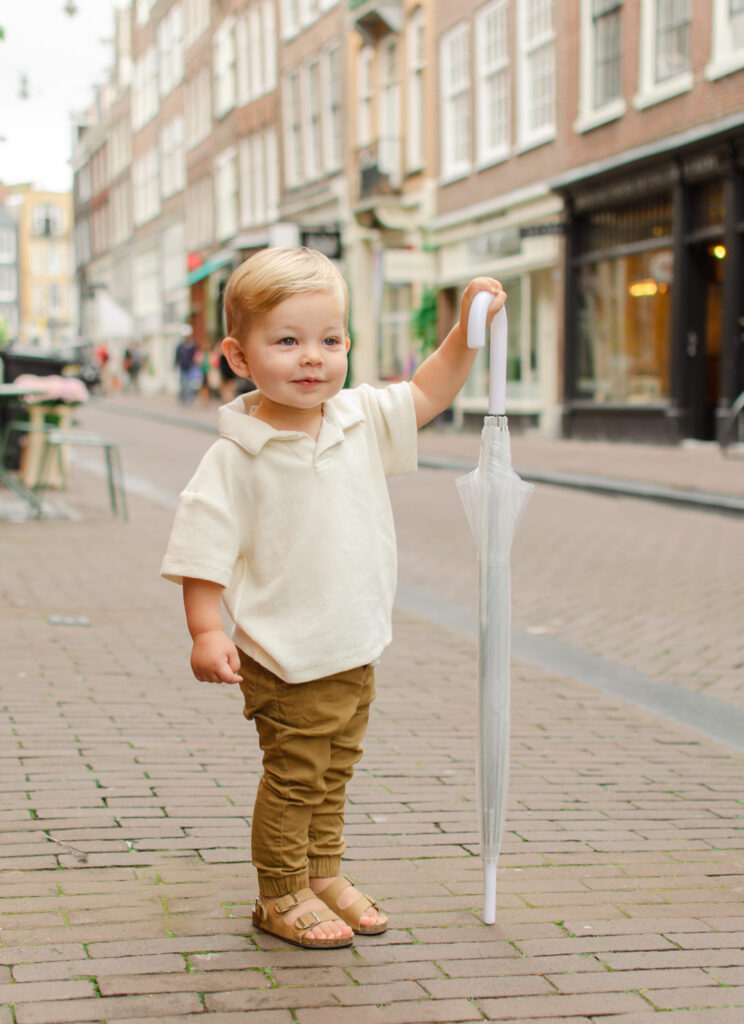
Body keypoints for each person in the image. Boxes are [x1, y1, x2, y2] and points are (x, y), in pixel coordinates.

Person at [160, 247, 505, 950]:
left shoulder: (359, 418)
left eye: (330, 340)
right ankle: (279, 890)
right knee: (295, 776)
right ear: (238, 354)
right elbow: (203, 547)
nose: (312, 358)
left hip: (354, 640)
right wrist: (205, 629)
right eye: (286, 341)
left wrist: (466, 330)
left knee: (335, 770)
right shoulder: (236, 455)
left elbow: (432, 389)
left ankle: (322, 873)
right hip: (287, 654)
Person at [174, 324, 198, 404]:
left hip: (191, 367)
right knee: (183, 384)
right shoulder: (180, 346)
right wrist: (175, 364)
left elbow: (196, 355)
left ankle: (189, 400)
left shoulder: (193, 346)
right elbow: (177, 356)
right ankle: (183, 399)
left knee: (191, 384)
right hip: (183, 367)